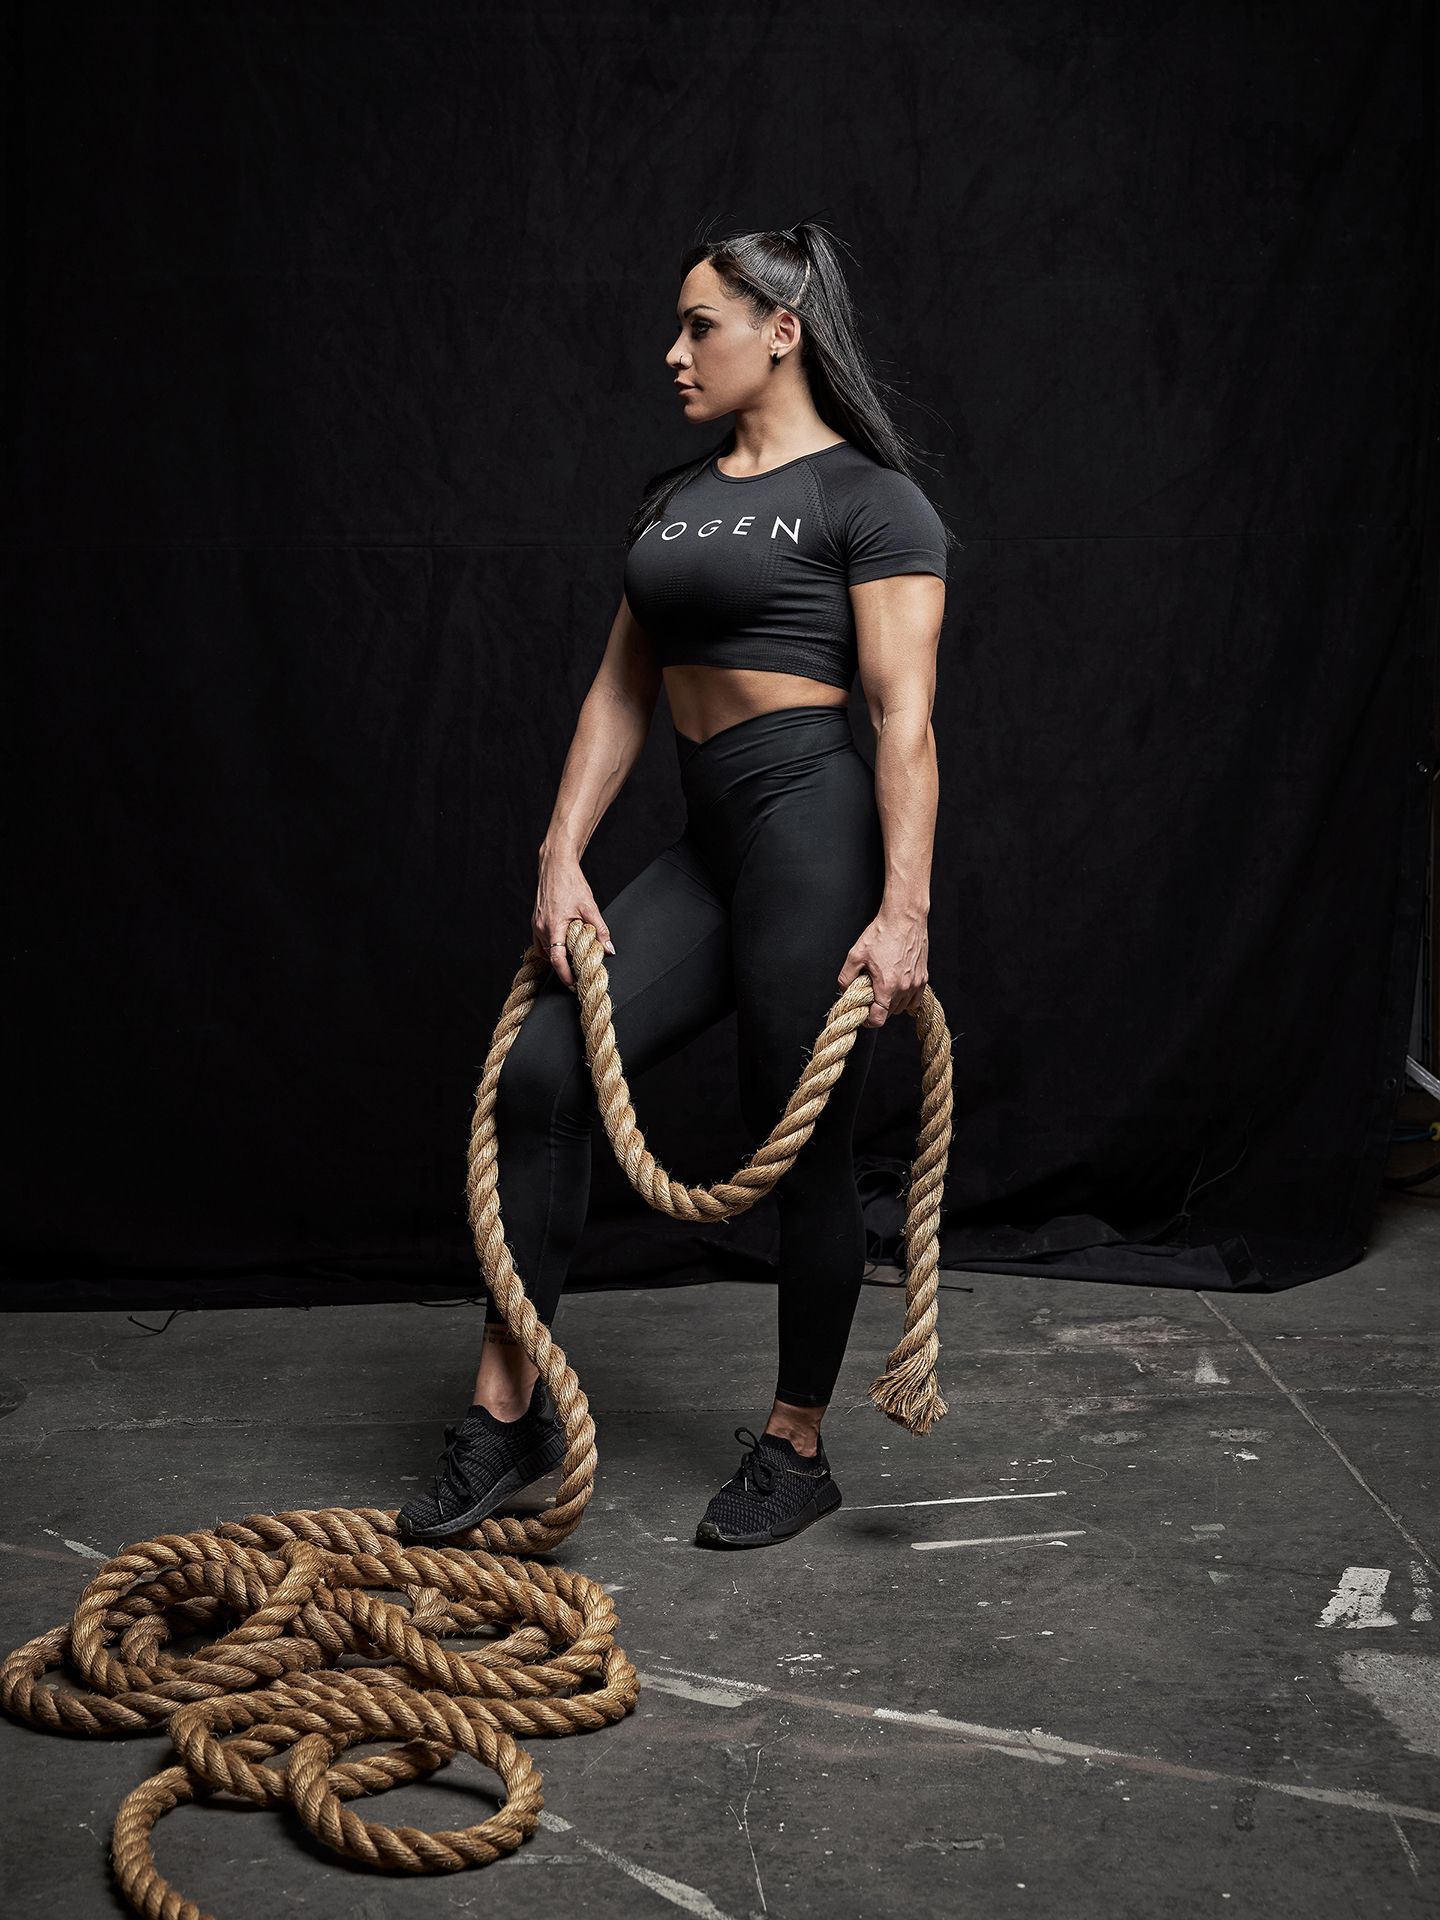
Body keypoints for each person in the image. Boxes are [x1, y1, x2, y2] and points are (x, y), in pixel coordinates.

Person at [399, 219, 951, 1550]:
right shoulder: (680, 500)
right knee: (542, 1075)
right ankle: (508, 1411)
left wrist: (904, 911)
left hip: (815, 831)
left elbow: (904, 718)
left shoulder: (874, 502)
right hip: (708, 844)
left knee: (798, 1131)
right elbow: (619, 691)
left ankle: (796, 1445)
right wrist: (560, 857)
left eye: (701, 324)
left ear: (782, 332)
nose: (675, 351)